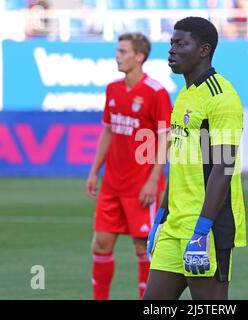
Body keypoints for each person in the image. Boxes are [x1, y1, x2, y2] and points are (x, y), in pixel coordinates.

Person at [143, 17, 246, 300]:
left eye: (181, 43)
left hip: (206, 228)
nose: (172, 50)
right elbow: (179, 164)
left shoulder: (222, 97)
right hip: (174, 225)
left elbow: (224, 166)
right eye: (171, 43)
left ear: (203, 50)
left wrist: (202, 230)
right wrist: (162, 215)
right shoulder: (186, 94)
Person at [86, 32, 172, 300]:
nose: (117, 56)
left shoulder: (155, 93)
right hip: (112, 183)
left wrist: (153, 179)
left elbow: (164, 138)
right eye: (117, 51)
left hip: (140, 185)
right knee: (100, 244)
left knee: (142, 248)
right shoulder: (112, 89)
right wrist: (94, 171)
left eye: (123, 51)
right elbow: (108, 132)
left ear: (139, 56)